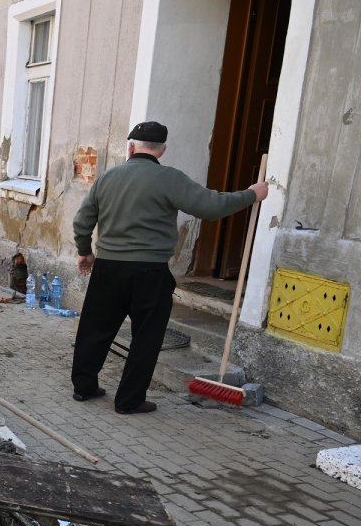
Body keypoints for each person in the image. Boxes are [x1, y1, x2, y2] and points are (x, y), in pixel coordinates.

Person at [70, 121, 269, 414]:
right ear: (162, 151)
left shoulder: (107, 178)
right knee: (146, 337)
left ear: (130, 147)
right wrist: (252, 194)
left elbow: (81, 221)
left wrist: (84, 252)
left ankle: (83, 388)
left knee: (94, 329)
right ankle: (129, 401)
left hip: (109, 268)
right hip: (150, 272)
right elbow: (210, 206)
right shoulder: (169, 179)